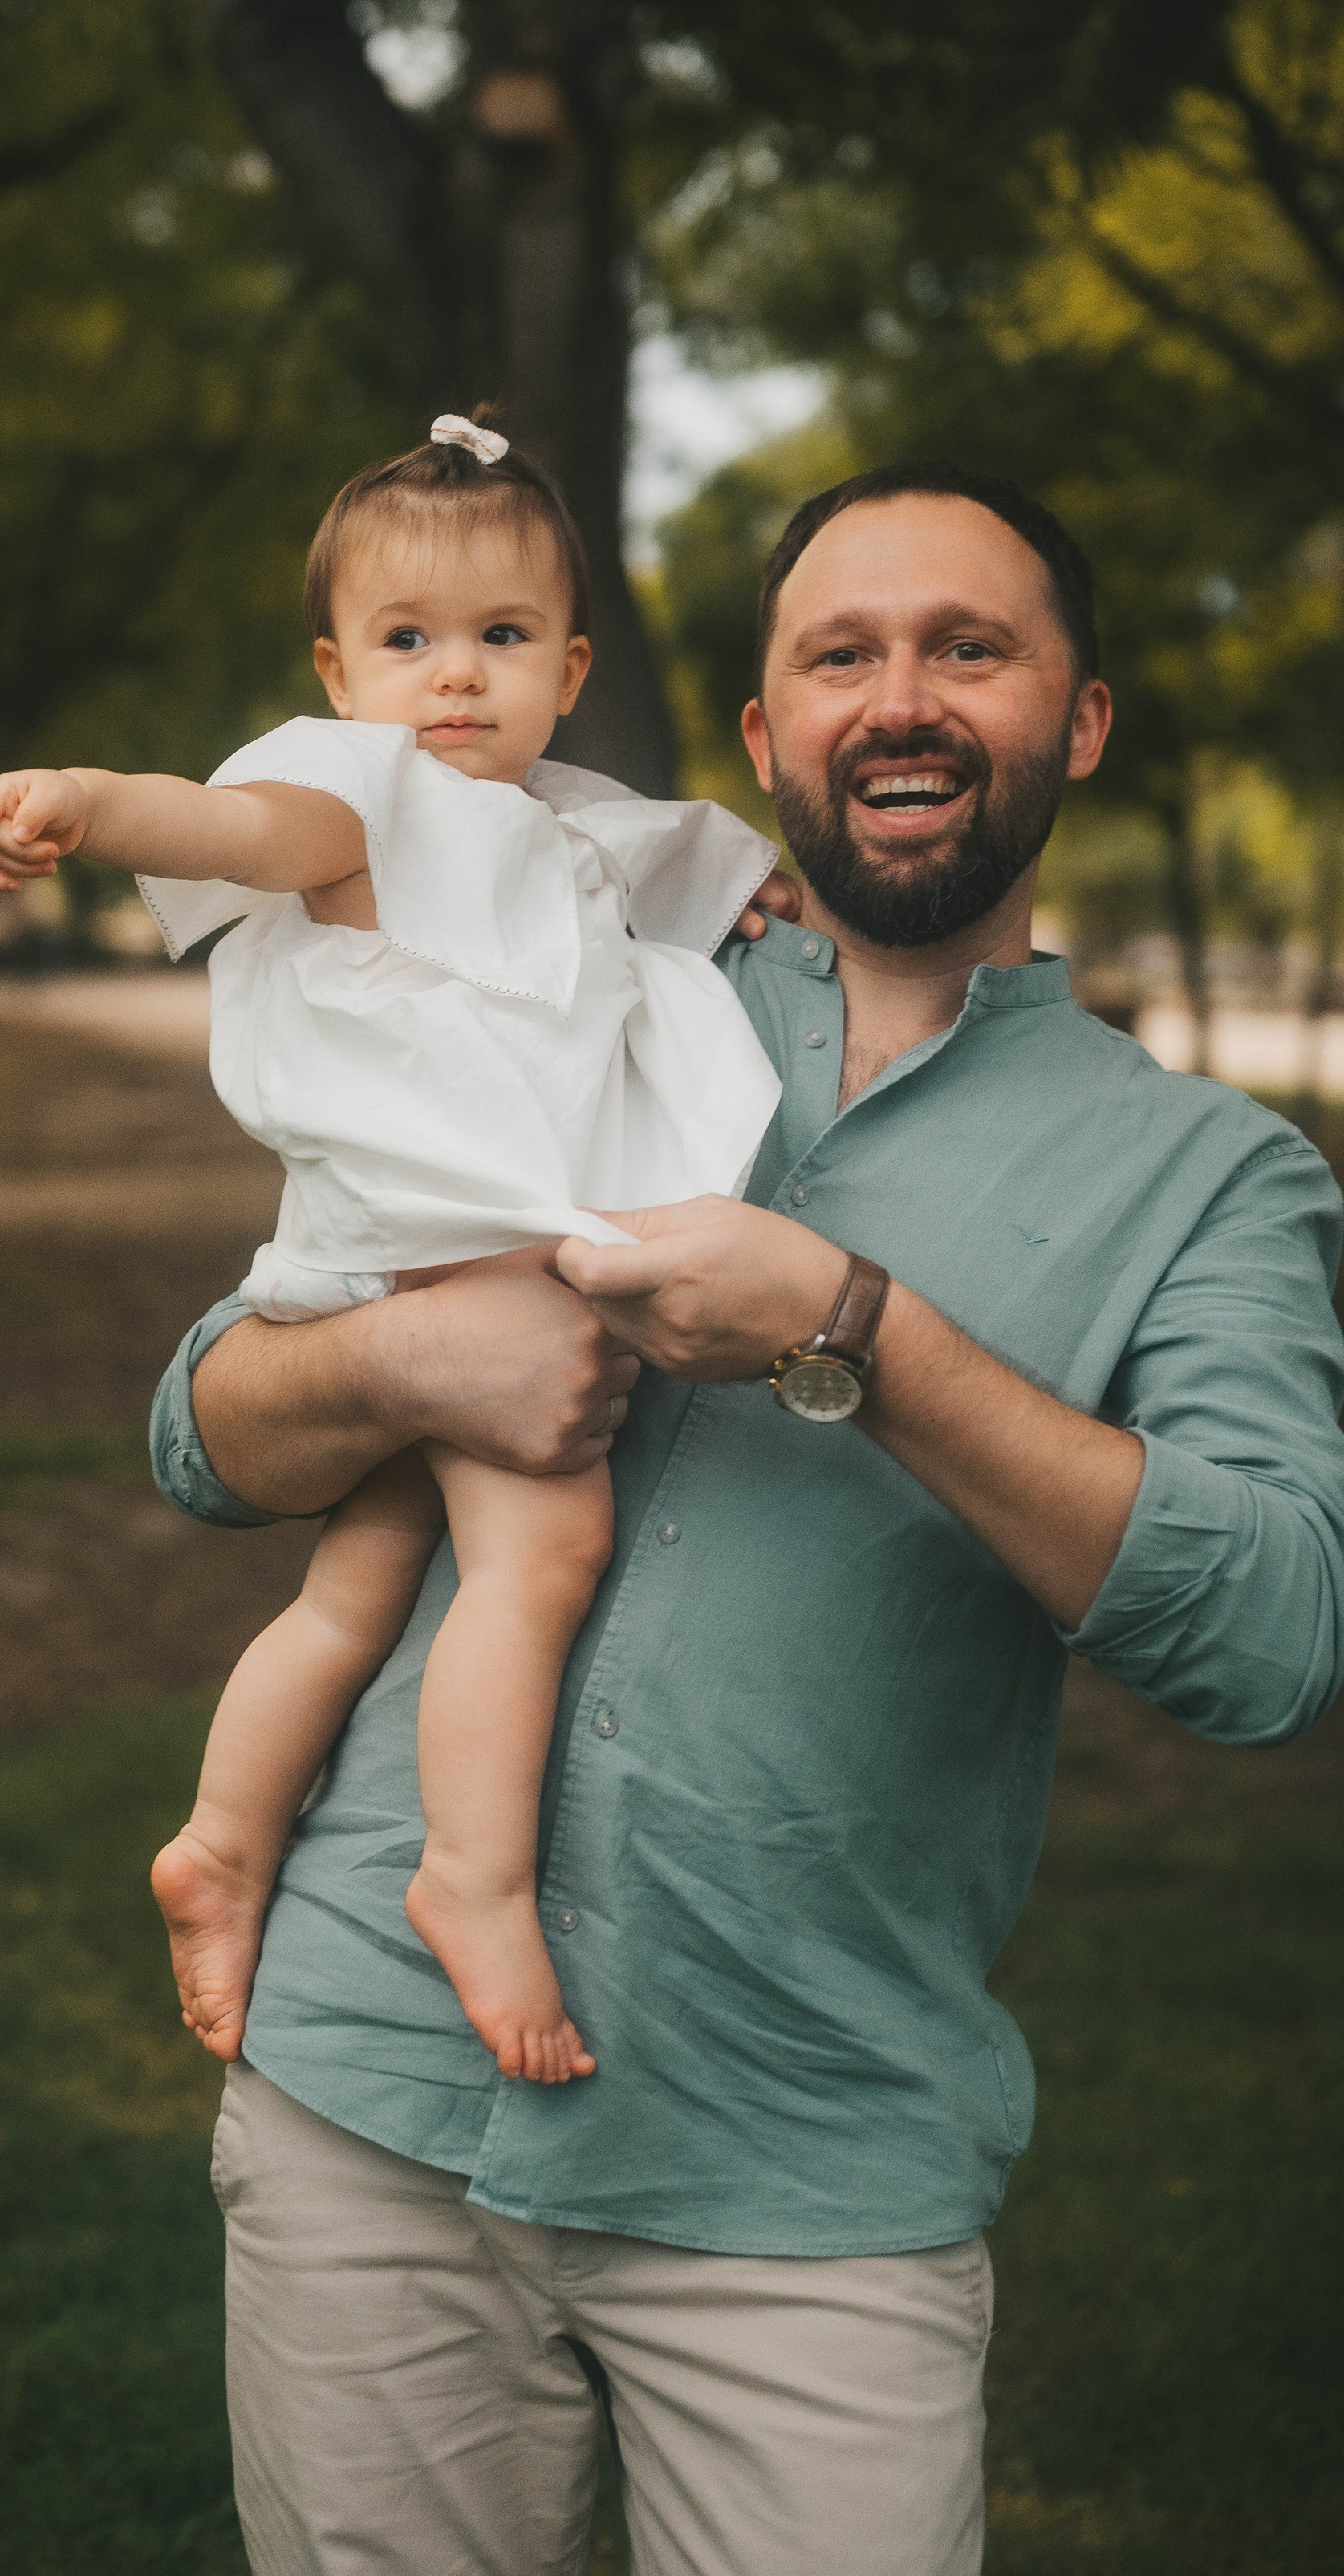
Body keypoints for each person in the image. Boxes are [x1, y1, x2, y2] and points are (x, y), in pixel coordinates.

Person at [149, 462, 1344, 2576]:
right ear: (763, 733)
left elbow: (1266, 1642)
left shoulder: (1218, 1180)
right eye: (841, 655)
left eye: (970, 649)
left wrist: (858, 1327)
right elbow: (201, 1431)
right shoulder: (577, 971)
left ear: (1078, 720)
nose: (903, 699)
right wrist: (408, 1372)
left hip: (801, 2174)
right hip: (361, 2101)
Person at [0, 415, 785, 2086]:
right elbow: (221, 827)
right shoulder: (357, 796)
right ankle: (468, 1883)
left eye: (499, 639)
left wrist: (757, 904)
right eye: (406, 642)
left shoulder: (565, 822)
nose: (453, 679)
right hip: (440, 1249)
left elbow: (686, 871)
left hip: (439, 1248)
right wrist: (85, 803)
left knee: (361, 1576)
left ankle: (222, 1837)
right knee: (541, 1556)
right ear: (337, 671)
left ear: (568, 662)